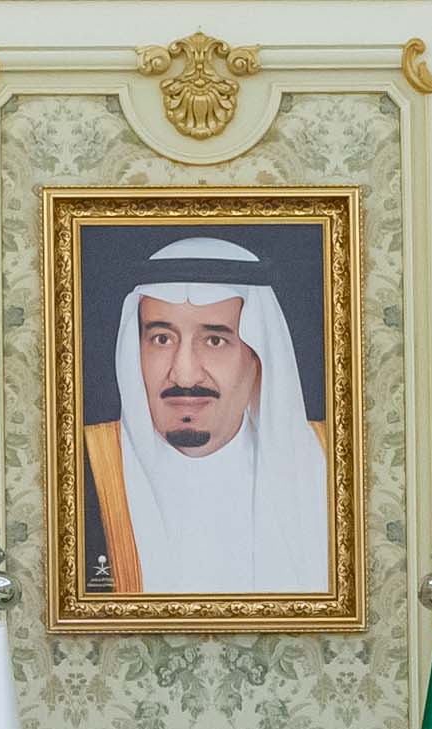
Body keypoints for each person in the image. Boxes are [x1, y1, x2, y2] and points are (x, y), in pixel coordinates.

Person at [81, 235, 329, 595]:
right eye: (162, 339)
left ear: (258, 357)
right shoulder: (83, 471)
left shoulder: (328, 466)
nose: (184, 375)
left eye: (214, 340)